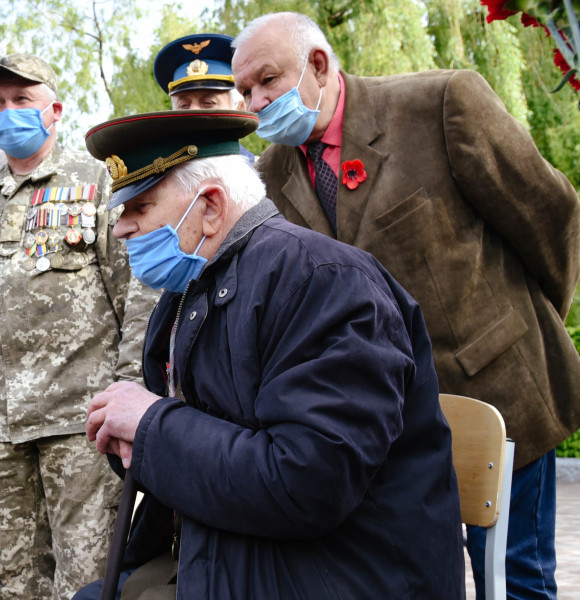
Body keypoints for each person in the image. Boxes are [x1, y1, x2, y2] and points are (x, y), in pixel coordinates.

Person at [231, 13, 580, 599]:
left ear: (317, 65)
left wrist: (534, 328)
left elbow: (551, 217)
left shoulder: (441, 104)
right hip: (388, 432)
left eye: (267, 80)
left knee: (516, 581)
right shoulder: (270, 176)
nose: (256, 101)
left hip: (498, 394)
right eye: (244, 91)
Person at [78, 108, 465, 598]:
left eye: (141, 208)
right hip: (235, 548)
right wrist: (130, 434)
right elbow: (192, 445)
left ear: (211, 206)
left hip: (335, 574)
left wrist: (151, 424)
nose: (121, 230)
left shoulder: (325, 282)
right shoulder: (190, 289)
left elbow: (308, 483)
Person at [0, 53, 159, 600]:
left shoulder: (99, 181)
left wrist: (129, 386)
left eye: (22, 101)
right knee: (8, 579)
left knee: (86, 576)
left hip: (82, 416)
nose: (8, 112)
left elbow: (140, 291)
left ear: (54, 111)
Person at [153, 33, 255, 165]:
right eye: (184, 105)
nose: (193, 112)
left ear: (240, 109)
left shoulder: (266, 175)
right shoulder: (158, 175)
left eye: (208, 103)